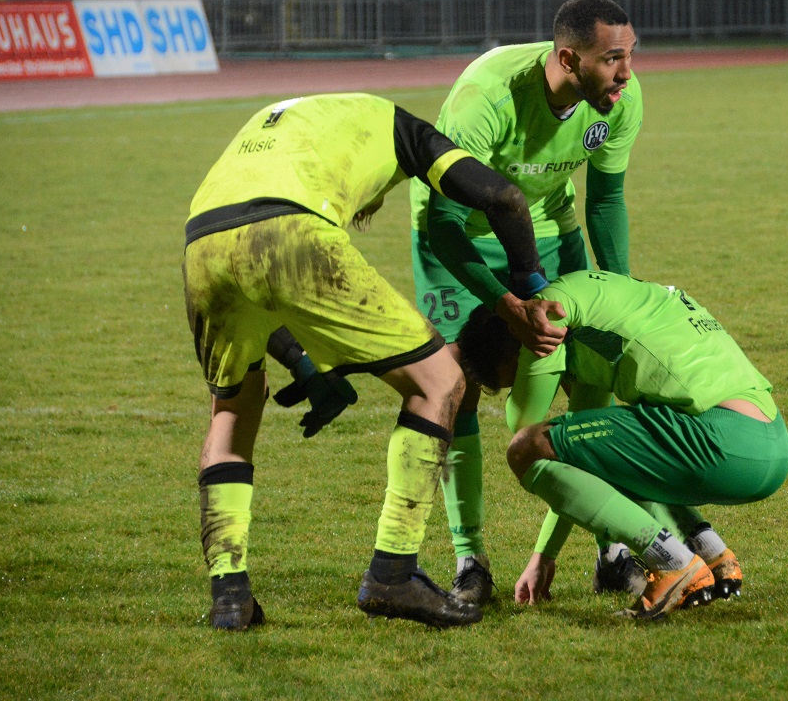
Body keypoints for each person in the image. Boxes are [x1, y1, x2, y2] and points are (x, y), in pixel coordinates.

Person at [182, 92, 565, 631]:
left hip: (202, 243)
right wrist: (528, 288)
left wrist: (303, 362)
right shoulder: (399, 125)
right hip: (291, 230)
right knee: (441, 382)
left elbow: (247, 257)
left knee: (233, 410)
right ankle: (393, 571)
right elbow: (503, 198)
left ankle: (230, 597)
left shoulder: (287, 120)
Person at [409, 0, 646, 603]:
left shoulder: (617, 102)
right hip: (458, 238)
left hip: (547, 229)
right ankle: (470, 560)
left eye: (631, 54)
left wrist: (617, 295)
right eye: (612, 58)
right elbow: (443, 223)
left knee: (595, 374)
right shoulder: (485, 100)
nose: (627, 72)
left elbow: (604, 200)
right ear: (568, 58)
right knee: (453, 388)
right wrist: (504, 304)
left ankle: (611, 545)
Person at [455, 270, 788, 620]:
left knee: (524, 447)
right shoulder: (598, 313)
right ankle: (707, 550)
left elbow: (523, 421)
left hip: (722, 442)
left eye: (516, 374)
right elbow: (588, 462)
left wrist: (529, 358)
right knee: (605, 452)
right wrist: (544, 555)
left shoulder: (548, 315)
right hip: (769, 442)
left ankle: (674, 562)